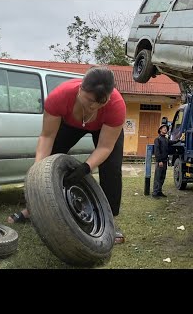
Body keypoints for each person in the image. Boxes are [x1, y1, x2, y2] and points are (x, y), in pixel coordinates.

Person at [7, 66, 127, 244]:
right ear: (80, 89)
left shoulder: (116, 106)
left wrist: (86, 168)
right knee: (49, 160)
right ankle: (33, 209)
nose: (93, 106)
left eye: (100, 103)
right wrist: (37, 173)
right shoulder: (60, 97)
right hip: (70, 124)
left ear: (109, 97)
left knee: (112, 168)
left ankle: (109, 223)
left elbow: (104, 147)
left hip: (104, 128)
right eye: (89, 100)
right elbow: (47, 137)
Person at [152, 124, 169, 199]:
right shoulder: (157, 139)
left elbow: (172, 142)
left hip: (165, 161)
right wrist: (159, 161)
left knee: (162, 177)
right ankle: (155, 193)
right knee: (157, 177)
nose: (165, 129)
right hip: (160, 162)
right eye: (164, 128)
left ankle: (159, 191)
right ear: (160, 130)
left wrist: (179, 139)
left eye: (166, 128)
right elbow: (157, 151)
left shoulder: (166, 139)